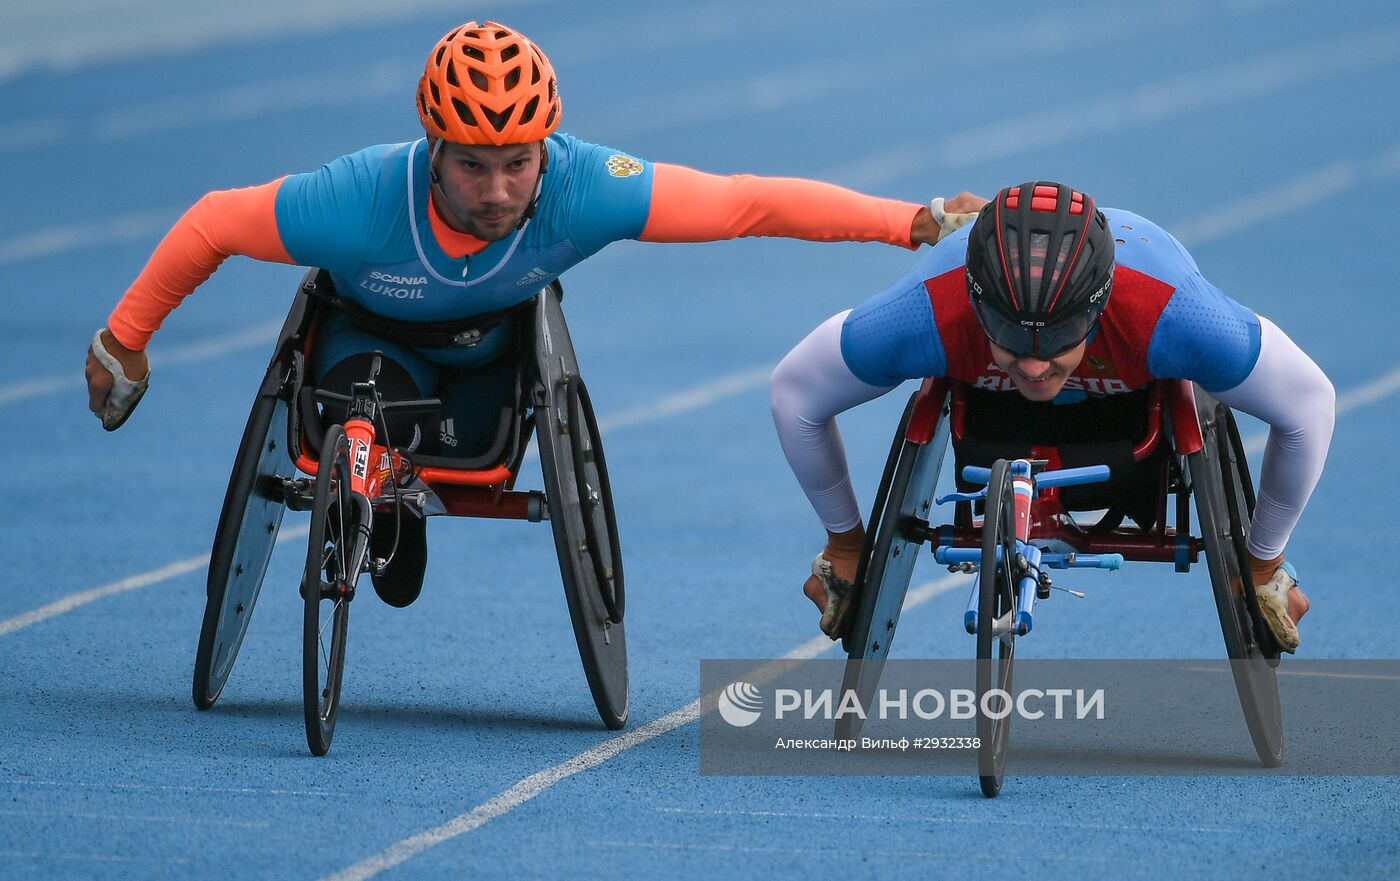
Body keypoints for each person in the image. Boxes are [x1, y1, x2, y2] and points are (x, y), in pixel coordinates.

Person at [84, 20, 982, 609]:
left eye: (517, 162)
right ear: (433, 149)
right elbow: (210, 223)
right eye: (473, 165)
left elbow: (744, 202)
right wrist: (124, 341)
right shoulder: (356, 196)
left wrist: (906, 223)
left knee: (475, 435)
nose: (499, 190)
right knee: (363, 396)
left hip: (491, 359)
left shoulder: (582, 186)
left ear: (544, 145)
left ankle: (394, 494)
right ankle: (375, 490)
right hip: (368, 340)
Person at [770, 181, 1333, 652]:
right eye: (1011, 337)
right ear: (975, 303)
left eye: (1059, 338)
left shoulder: (1173, 313)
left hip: (1129, 416)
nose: (1035, 364)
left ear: (1100, 304)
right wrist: (846, 542)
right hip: (996, 416)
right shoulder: (929, 309)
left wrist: (1263, 560)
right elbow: (795, 392)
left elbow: (1309, 404)